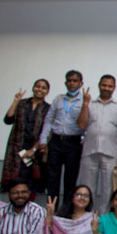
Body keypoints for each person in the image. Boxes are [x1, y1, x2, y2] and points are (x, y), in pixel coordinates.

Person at [39, 71, 88, 202]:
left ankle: (66, 211)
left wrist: (84, 140)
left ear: (81, 83)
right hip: (56, 141)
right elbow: (49, 119)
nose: (72, 83)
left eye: (75, 80)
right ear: (66, 83)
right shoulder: (58, 99)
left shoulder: (85, 101)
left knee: (70, 179)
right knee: (52, 178)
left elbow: (87, 124)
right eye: (69, 80)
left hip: (74, 143)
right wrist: (43, 140)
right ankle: (52, 209)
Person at [1, 80, 51, 197]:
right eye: (37, 86)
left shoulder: (48, 108)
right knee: (15, 180)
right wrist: (15, 101)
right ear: (33, 88)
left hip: (35, 150)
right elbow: (8, 120)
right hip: (16, 148)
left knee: (31, 181)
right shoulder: (22, 104)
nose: (40, 89)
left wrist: (33, 150)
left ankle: (29, 210)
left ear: (47, 92)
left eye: (43, 88)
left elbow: (47, 132)